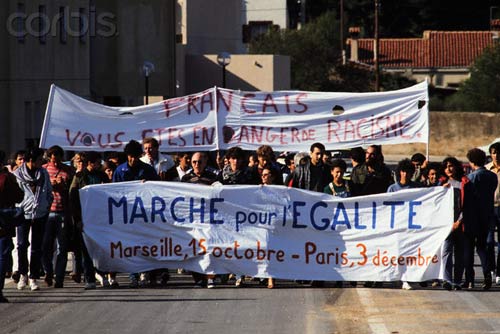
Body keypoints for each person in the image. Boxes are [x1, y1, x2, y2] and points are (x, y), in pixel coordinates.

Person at [113, 140, 160, 288]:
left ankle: (145, 272)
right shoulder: (120, 171)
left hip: (144, 215)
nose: (132, 159)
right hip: (126, 215)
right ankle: (133, 274)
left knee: (144, 244)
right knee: (130, 245)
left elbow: (158, 189)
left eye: (135, 156)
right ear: (127, 156)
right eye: (130, 156)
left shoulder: (148, 170)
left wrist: (149, 185)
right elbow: (113, 191)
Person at [290, 142, 332, 287]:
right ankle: (303, 273)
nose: (319, 156)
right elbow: (291, 189)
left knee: (318, 246)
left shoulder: (327, 170)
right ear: (311, 154)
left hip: (321, 213)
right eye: (317, 153)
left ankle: (317, 275)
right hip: (304, 211)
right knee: (303, 245)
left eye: (321, 154)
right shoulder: (300, 170)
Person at [13, 147, 53, 291]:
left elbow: (49, 191)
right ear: (31, 160)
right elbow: (15, 195)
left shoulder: (43, 173)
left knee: (37, 247)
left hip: (40, 214)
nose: (42, 161)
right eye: (39, 159)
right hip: (22, 214)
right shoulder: (17, 175)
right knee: (22, 244)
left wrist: (46, 205)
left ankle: (33, 277)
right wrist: (21, 206)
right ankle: (23, 274)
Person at [69, 151, 110, 289]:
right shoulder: (79, 177)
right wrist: (77, 219)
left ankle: (103, 274)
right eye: (98, 162)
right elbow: (73, 198)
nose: (100, 165)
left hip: (100, 218)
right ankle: (90, 279)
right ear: (90, 163)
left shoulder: (102, 176)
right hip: (85, 219)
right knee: (86, 250)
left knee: (101, 248)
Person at [461, 148, 498, 290]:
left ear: (471, 161)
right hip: (487, 215)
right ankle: (487, 274)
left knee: (468, 249)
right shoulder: (492, 176)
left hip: (472, 217)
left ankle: (469, 279)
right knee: (482, 248)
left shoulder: (471, 178)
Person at [181, 151, 219, 288]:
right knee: (194, 249)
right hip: (193, 220)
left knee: (210, 249)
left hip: (209, 219)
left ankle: (210, 277)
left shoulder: (214, 177)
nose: (197, 165)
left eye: (199, 162)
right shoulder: (186, 178)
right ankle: (198, 279)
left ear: (205, 162)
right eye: (194, 162)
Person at [42, 145, 74, 288]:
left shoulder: (68, 171)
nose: (55, 163)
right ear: (49, 158)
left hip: (62, 212)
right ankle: (48, 272)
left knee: (62, 247)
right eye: (53, 160)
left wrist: (64, 185)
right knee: (46, 246)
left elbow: (73, 190)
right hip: (47, 213)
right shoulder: (43, 170)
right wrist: (49, 185)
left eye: (58, 159)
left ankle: (59, 277)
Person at [387, 159, 420, 290]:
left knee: (408, 253)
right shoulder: (392, 188)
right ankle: (395, 276)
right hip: (396, 227)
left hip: (410, 227)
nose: (405, 174)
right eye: (403, 171)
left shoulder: (416, 188)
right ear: (399, 172)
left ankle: (406, 278)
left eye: (408, 172)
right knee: (396, 253)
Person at [439, 157, 467, 290]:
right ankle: (447, 280)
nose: (448, 169)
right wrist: (441, 190)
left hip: (460, 225)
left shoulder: (464, 184)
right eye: (446, 167)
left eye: (451, 166)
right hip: (445, 226)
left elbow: (467, 206)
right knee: (446, 252)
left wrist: (459, 221)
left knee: (460, 254)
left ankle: (457, 281)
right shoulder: (441, 184)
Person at [0, 150, 24, 302]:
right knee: (2, 256)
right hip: (3, 220)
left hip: (4, 220)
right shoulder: (7, 178)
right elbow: (19, 196)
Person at [486, 142, 500, 285]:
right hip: (489, 208)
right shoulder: (486, 170)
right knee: (489, 241)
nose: (496, 155)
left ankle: (499, 272)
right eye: (494, 152)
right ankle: (490, 268)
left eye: (498, 152)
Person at [260, 167, 276, 289]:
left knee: (271, 249)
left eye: (268, 174)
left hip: (273, 223)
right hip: (260, 222)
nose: (265, 177)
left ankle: (271, 277)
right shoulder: (257, 189)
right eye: (263, 175)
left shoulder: (278, 190)